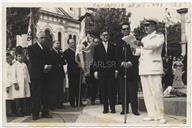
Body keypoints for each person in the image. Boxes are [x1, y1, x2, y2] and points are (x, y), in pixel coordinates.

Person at [134, 19, 167, 123]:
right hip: (144, 68)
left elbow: (154, 46)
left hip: (154, 67)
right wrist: (133, 48)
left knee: (157, 92)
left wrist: (141, 44)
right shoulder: (144, 38)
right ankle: (151, 114)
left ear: (153, 26)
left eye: (148, 25)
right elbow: (139, 52)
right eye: (144, 26)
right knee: (147, 94)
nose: (146, 28)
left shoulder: (159, 36)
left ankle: (161, 116)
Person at [28, 32, 52, 120]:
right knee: (36, 95)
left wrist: (49, 66)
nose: (44, 39)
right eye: (41, 38)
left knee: (45, 94)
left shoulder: (47, 48)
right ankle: (35, 113)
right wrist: (43, 66)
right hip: (36, 75)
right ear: (37, 38)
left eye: (45, 38)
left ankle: (45, 112)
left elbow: (50, 59)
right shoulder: (31, 48)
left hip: (45, 75)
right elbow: (34, 61)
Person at [116, 23, 140, 115]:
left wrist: (131, 62)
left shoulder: (133, 40)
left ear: (129, 29)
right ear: (121, 31)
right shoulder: (119, 42)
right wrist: (121, 63)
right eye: (124, 29)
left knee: (133, 91)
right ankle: (124, 109)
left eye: (127, 29)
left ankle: (135, 109)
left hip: (132, 69)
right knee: (123, 90)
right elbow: (116, 55)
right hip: (122, 69)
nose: (126, 30)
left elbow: (136, 53)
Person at [93, 30, 117, 113]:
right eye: (104, 35)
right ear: (101, 36)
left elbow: (115, 59)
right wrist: (95, 71)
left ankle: (113, 108)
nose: (106, 36)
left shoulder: (113, 46)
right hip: (101, 72)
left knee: (112, 90)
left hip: (111, 71)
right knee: (103, 91)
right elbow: (95, 60)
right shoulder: (97, 47)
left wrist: (116, 70)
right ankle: (105, 108)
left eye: (107, 35)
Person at [63, 38, 85, 107]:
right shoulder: (66, 52)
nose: (73, 44)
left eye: (73, 42)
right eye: (71, 43)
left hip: (78, 71)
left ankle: (79, 101)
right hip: (71, 71)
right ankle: (72, 102)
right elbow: (67, 61)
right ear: (68, 44)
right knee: (72, 87)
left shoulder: (78, 51)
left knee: (79, 86)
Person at [12, 49, 31, 117]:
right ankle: (18, 112)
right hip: (18, 83)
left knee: (24, 98)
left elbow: (27, 74)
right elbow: (13, 75)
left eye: (22, 56)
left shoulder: (24, 64)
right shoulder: (15, 65)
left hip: (25, 83)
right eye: (19, 56)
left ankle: (24, 111)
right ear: (16, 57)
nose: (21, 58)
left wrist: (28, 81)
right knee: (18, 98)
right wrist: (15, 83)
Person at [47, 40, 65, 109]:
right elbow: (52, 62)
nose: (58, 44)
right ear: (53, 44)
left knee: (60, 89)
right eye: (57, 43)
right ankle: (53, 104)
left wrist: (62, 56)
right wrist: (58, 62)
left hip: (60, 73)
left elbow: (63, 62)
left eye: (59, 43)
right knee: (54, 89)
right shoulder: (51, 52)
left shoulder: (60, 53)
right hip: (54, 73)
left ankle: (59, 103)